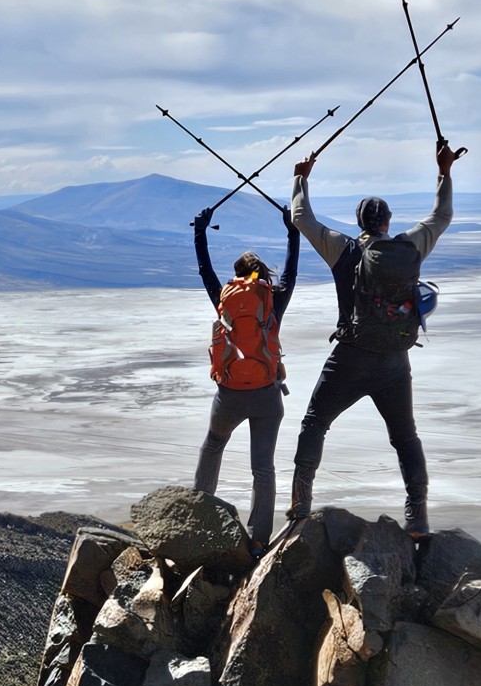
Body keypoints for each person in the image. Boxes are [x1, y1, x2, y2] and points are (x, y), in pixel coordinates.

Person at [286, 140, 459, 537]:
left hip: (350, 357)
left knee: (315, 423)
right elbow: (442, 215)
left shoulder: (343, 250)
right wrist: (444, 172)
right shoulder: (410, 246)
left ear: (360, 220)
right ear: (388, 220)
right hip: (395, 361)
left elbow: (300, 216)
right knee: (405, 437)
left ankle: (301, 503)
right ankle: (417, 516)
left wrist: (300, 177)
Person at [190, 203, 300, 552]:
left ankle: (198, 514)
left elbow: (204, 271)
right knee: (262, 469)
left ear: (237, 275)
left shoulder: (225, 300)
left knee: (213, 446)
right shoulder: (272, 301)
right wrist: (292, 229)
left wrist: (200, 232)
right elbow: (293, 272)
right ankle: (258, 539)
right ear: (263, 275)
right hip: (267, 396)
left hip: (230, 394)